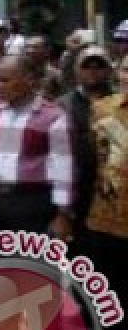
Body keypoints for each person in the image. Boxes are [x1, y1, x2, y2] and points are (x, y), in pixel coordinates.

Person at [0, 55, 73, 239]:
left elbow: (63, 169)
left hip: (33, 204)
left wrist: (63, 214)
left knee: (31, 265)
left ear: (29, 80)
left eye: (5, 80)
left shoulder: (53, 117)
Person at [84, 55, 128, 330]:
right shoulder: (102, 108)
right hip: (106, 216)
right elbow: (90, 159)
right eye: (125, 68)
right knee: (110, 291)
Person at [59, 47, 115, 246]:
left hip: (113, 195)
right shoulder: (61, 107)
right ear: (76, 71)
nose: (93, 71)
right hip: (76, 193)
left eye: (99, 66)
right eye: (86, 66)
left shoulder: (121, 104)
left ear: (109, 70)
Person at [24, 35, 64, 100]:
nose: (30, 50)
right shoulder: (21, 73)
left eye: (35, 47)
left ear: (46, 51)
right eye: (27, 47)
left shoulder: (55, 75)